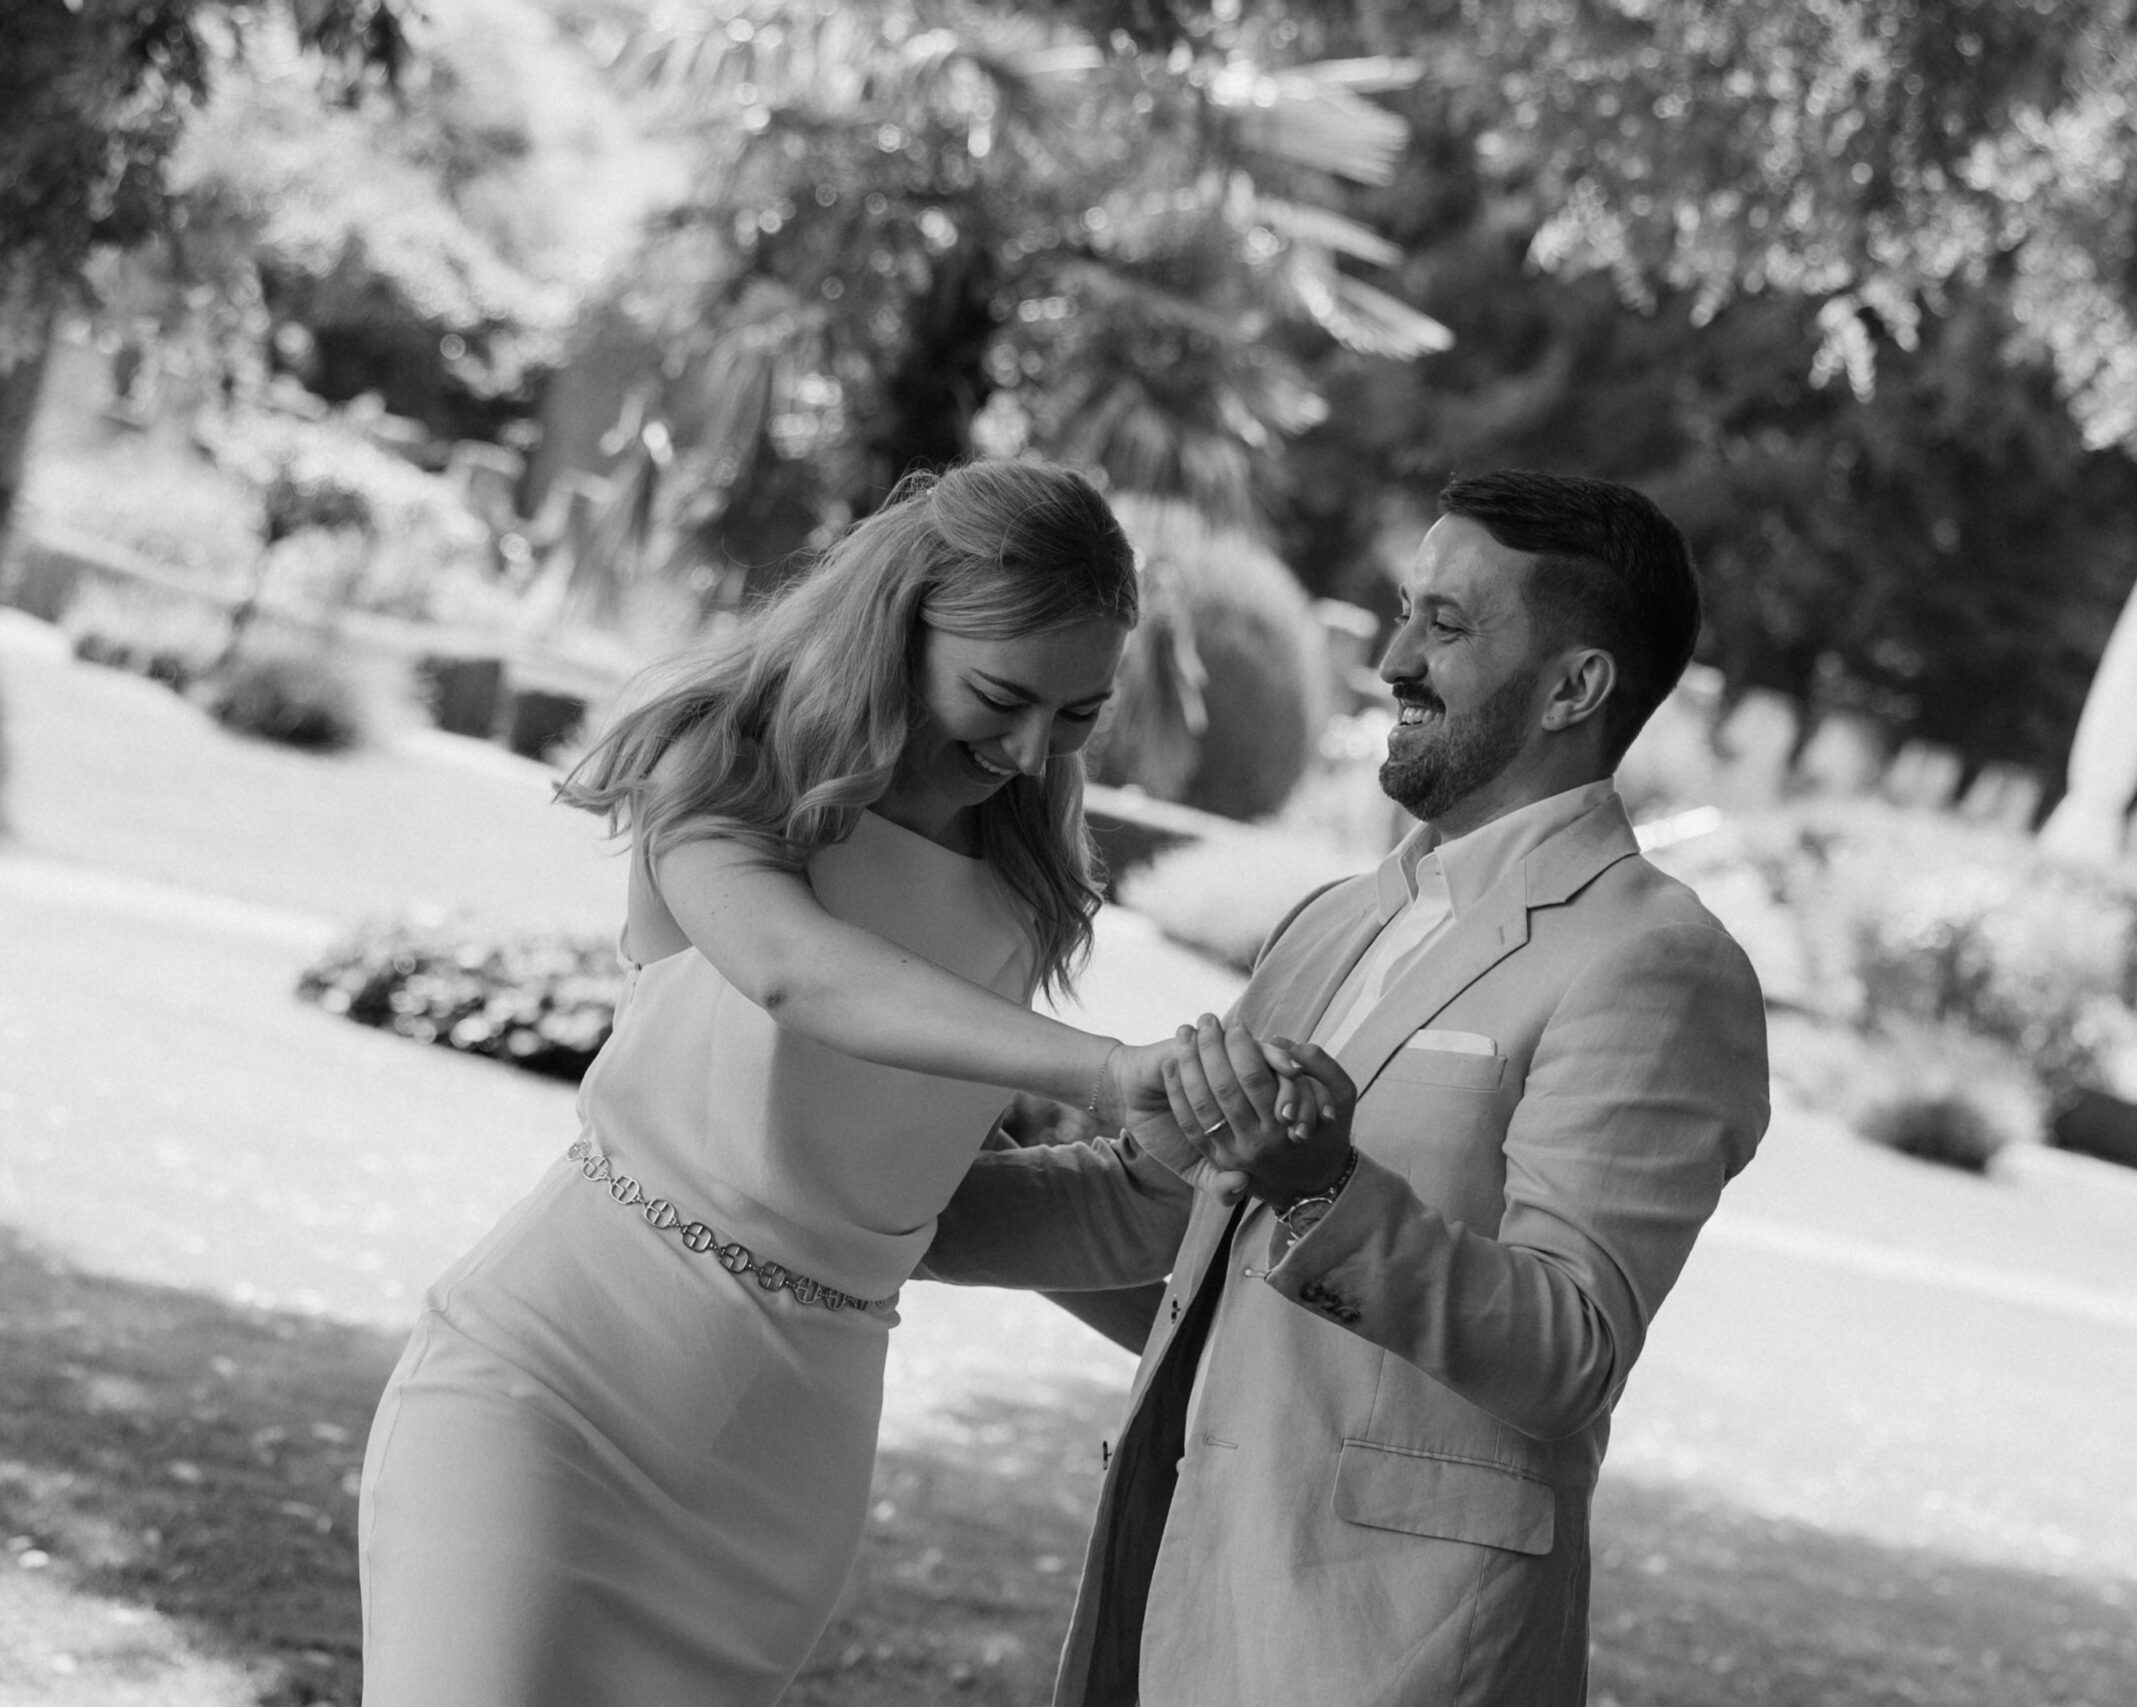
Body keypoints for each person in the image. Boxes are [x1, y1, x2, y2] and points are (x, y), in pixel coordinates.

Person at [355, 459, 1303, 1707]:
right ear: (898, 627)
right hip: (552, 1391)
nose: (1031, 751)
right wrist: (1111, 1070)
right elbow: (796, 973)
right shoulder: (727, 762)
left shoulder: (1023, 877)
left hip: (779, 1480)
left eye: (1078, 714)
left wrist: (1182, 1174)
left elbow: (910, 1204)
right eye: (1002, 697)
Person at [921, 469, 1772, 1707]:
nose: (1392, 660)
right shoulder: (1334, 919)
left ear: (1574, 688)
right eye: (1406, 610)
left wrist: (1324, 1187)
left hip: (1396, 1651)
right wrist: (863, 1196)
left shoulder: (1656, 964)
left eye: (1446, 624)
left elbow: (1570, 1352)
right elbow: (1158, 1213)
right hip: (1176, 1597)